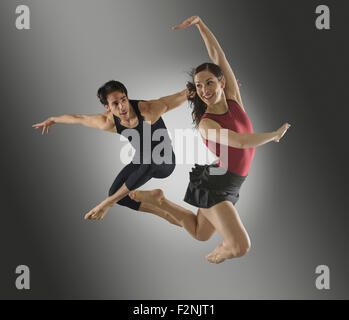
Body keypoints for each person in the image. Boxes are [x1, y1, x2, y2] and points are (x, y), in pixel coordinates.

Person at [129, 16, 291, 264]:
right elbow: (239, 141)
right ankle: (225, 249)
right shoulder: (206, 123)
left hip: (231, 181)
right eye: (199, 85)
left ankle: (159, 200)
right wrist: (273, 135)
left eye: (209, 82)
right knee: (240, 246)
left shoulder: (234, 98)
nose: (204, 89)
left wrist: (200, 25)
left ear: (222, 82)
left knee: (199, 232)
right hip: (217, 184)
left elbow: (218, 55)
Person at [32, 80, 188, 224]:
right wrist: (53, 119)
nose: (122, 107)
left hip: (165, 161)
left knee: (121, 190)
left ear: (127, 98)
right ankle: (165, 213)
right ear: (107, 107)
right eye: (115, 104)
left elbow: (182, 95)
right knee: (117, 194)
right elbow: (78, 118)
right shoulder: (107, 122)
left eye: (124, 100)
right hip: (141, 160)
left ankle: (106, 204)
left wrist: (204, 86)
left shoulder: (148, 110)